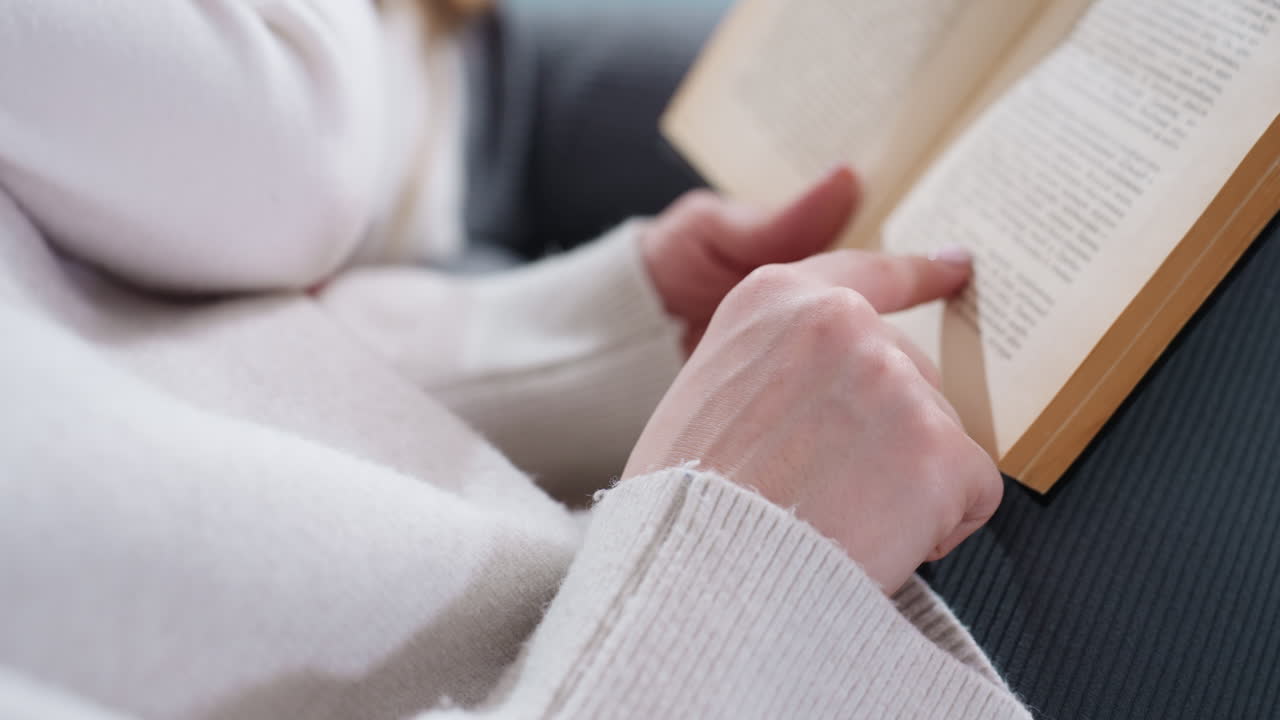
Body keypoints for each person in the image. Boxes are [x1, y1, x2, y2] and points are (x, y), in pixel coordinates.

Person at [0, 1, 1033, 717]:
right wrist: (730, 565)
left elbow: (122, 398)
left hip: (617, 531)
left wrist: (601, 341)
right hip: (736, 625)